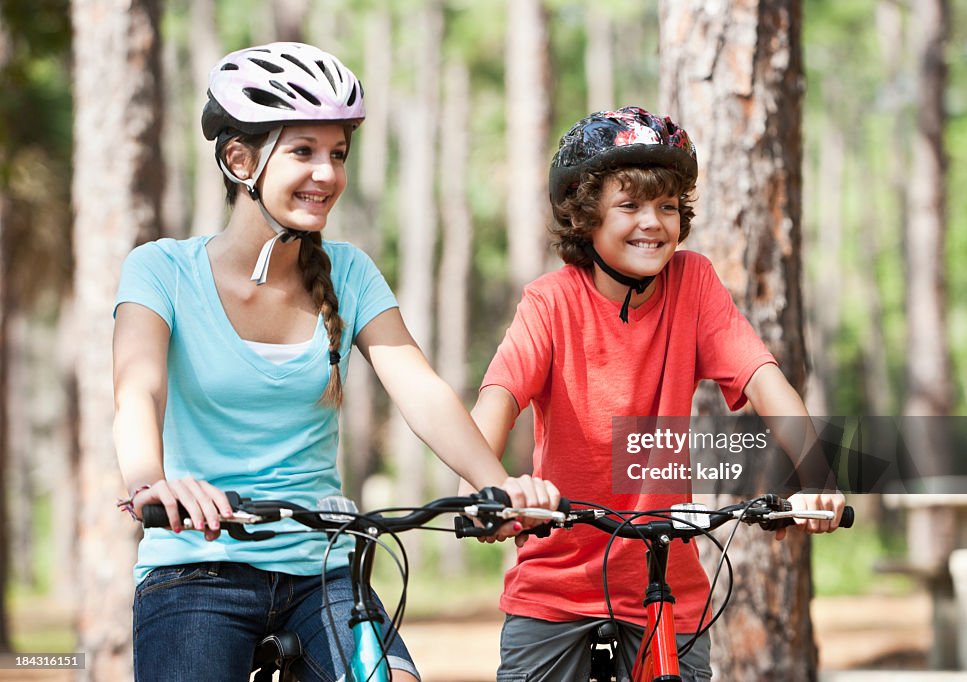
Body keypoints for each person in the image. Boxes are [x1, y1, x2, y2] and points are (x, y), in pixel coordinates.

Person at [112, 41, 558, 682]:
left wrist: (495, 486)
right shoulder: (161, 269)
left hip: (321, 569)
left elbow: (419, 387)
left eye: (338, 155)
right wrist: (152, 484)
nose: (327, 174)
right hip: (196, 566)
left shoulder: (348, 272)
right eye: (303, 152)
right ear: (240, 160)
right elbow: (137, 391)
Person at [467, 106, 846, 681]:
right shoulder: (551, 302)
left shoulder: (693, 284)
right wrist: (485, 490)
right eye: (630, 205)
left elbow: (764, 381)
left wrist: (816, 477)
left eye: (666, 206)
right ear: (585, 218)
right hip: (557, 581)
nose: (653, 222)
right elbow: (498, 397)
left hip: (664, 577)